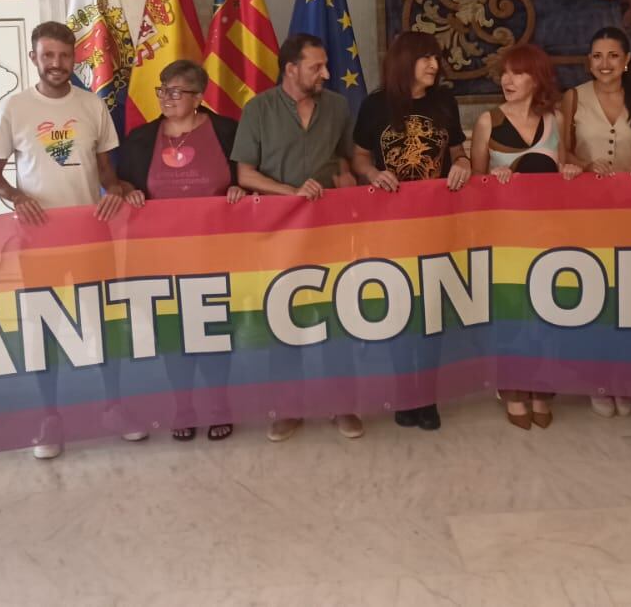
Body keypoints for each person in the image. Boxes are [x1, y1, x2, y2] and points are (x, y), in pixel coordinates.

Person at [0, 21, 138, 458]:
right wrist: (15, 196)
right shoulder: (15, 108)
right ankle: (49, 418)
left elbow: (108, 175)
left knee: (104, 322)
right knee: (43, 327)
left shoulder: (92, 106)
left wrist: (120, 193)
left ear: (75, 58)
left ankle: (114, 406)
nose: (56, 64)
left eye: (64, 56)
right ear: (34, 57)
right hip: (38, 239)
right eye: (47, 55)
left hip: (91, 235)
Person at [232, 33, 362, 442]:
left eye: (325, 65)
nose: (326, 72)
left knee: (337, 317)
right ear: (291, 69)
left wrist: (351, 187)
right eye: (316, 66)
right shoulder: (258, 109)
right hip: (277, 233)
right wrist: (292, 194)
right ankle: (288, 408)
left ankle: (343, 405)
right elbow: (245, 174)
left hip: (329, 230)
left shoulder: (338, 106)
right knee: (283, 320)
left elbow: (344, 162)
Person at [118, 59, 244, 442]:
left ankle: (220, 404)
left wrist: (242, 190)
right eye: (162, 90)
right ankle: (183, 406)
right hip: (163, 257)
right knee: (173, 331)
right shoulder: (141, 138)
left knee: (215, 330)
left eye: (176, 91)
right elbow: (119, 182)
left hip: (215, 253)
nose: (166, 98)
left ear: (199, 96)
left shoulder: (226, 131)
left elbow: (248, 174)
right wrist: (128, 191)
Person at [352, 31, 471, 432]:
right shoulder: (374, 105)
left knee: (431, 311)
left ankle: (428, 394)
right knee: (401, 308)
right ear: (405, 62)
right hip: (389, 224)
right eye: (425, 59)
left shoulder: (444, 102)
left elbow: (457, 151)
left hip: (436, 221)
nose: (434, 65)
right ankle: (406, 394)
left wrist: (464, 163)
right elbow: (360, 156)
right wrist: (371, 173)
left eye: (436, 58)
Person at [557, 27, 631, 419]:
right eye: (597, 56)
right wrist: (582, 165)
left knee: (628, 297)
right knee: (595, 294)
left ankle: (626, 378)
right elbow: (561, 149)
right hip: (586, 211)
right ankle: (596, 378)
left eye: (613, 55)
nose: (605, 63)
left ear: (627, 59)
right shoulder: (574, 97)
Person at [471, 42, 568, 430]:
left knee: (545, 308)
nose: (507, 81)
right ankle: (511, 385)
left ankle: (542, 383)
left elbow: (563, 168)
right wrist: (493, 181)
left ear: (536, 78)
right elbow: (475, 183)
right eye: (505, 74)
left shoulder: (556, 119)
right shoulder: (488, 122)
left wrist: (572, 171)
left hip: (547, 233)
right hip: (505, 234)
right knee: (512, 310)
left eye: (518, 73)